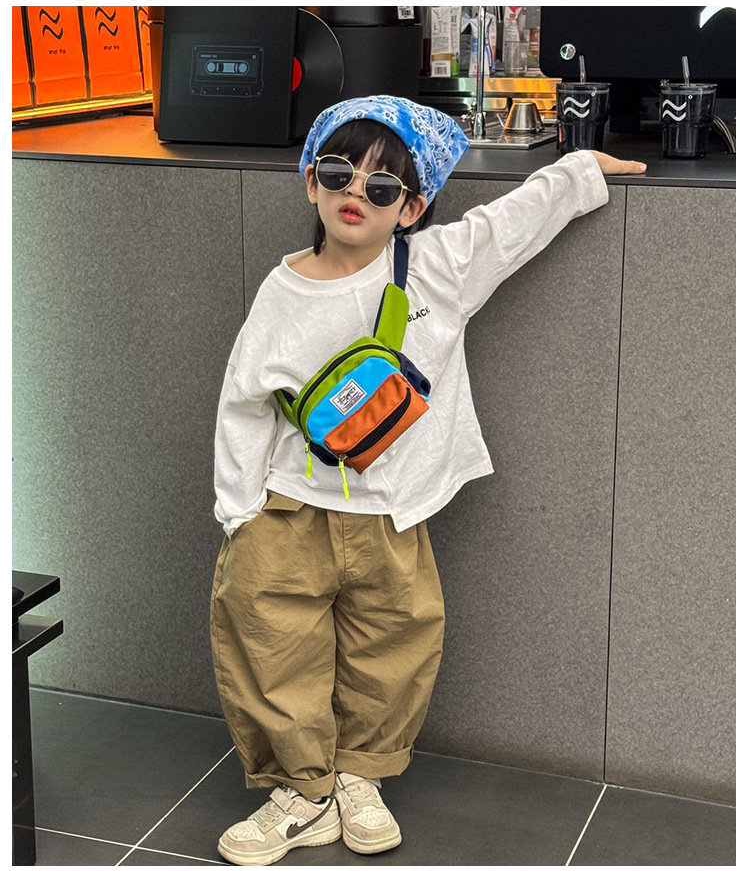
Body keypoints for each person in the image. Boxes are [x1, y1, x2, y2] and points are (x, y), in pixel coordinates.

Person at [210, 95, 646, 866]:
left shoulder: (437, 266)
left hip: (395, 512)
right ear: (310, 181)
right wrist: (240, 510)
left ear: (410, 209)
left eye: (382, 186)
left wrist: (580, 169)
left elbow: (513, 223)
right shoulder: (281, 290)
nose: (357, 192)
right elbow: (243, 403)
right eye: (340, 173)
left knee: (395, 646)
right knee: (272, 648)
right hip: (287, 508)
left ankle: (359, 776)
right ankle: (304, 793)